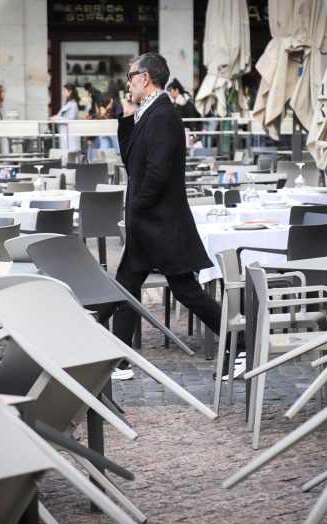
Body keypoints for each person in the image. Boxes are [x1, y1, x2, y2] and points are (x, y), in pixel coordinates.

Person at [108, 52, 225, 381]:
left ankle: (242, 342)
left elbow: (157, 171)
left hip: (159, 223)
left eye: (131, 77)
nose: (128, 84)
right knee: (127, 286)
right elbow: (132, 162)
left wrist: (139, 204)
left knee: (186, 290)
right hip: (149, 223)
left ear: (144, 78)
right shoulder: (149, 112)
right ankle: (118, 359)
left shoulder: (163, 114)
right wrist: (125, 119)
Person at [50, 83, 81, 151]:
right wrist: (57, 116)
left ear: (70, 92)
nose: (62, 92)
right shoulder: (68, 103)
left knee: (71, 151)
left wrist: (57, 118)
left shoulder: (73, 104)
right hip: (65, 132)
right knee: (66, 151)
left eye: (64, 91)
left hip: (70, 133)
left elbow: (71, 119)